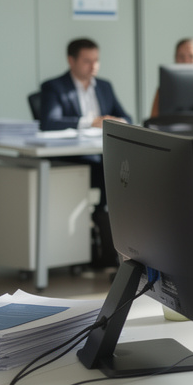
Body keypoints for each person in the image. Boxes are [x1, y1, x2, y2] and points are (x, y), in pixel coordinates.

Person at [38, 37, 133, 268]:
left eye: (96, 61)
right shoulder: (53, 87)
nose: (93, 67)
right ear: (71, 61)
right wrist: (90, 122)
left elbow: (127, 117)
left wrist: (116, 120)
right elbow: (49, 122)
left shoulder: (105, 86)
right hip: (73, 159)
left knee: (126, 170)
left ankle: (121, 247)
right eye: (87, 61)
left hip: (102, 154)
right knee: (111, 174)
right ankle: (110, 249)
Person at [149, 37, 193, 117]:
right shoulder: (165, 87)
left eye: (191, 56)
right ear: (175, 58)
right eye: (181, 57)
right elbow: (154, 118)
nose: (186, 62)